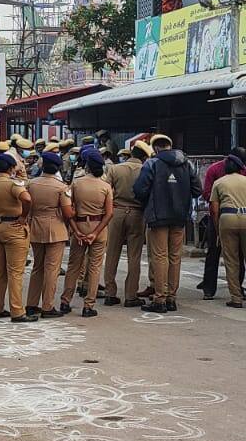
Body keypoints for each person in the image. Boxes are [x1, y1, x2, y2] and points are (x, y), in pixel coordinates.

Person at [133, 134, 201, 313]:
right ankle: (171, 298)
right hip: (180, 217)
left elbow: (139, 189)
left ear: (155, 148)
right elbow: (197, 189)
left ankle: (160, 299)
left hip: (158, 217)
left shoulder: (152, 164)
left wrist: (150, 201)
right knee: (175, 257)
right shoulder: (187, 164)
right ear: (170, 146)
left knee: (160, 257)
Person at [59, 147, 113, 318]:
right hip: (99, 227)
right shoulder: (106, 187)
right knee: (95, 267)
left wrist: (76, 230)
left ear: (87, 165)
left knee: (74, 266)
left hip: (79, 226)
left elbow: (68, 210)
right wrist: (95, 232)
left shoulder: (76, 183)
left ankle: (65, 301)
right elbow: (109, 213)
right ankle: (88, 305)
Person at [0, 152, 36, 323]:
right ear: (11, 168)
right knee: (15, 272)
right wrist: (23, 217)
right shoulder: (13, 184)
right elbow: (27, 199)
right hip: (14, 227)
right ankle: (17, 310)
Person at [103, 140, 151, 306]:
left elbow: (106, 191)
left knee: (112, 252)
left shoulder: (115, 169)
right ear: (144, 157)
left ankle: (110, 293)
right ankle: (131, 295)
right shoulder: (146, 170)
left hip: (116, 212)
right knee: (134, 256)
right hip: (137, 213)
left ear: (130, 154)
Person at [26, 149, 73, 316]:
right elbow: (67, 213)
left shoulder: (31, 184)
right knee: (52, 269)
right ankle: (48, 306)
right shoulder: (61, 187)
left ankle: (31, 304)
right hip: (55, 228)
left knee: (37, 267)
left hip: (36, 226)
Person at [200, 147, 246, 299]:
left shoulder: (225, 178)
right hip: (224, 216)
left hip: (224, 218)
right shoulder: (214, 170)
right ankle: (209, 288)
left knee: (235, 257)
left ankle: (237, 291)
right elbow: (207, 194)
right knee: (214, 252)